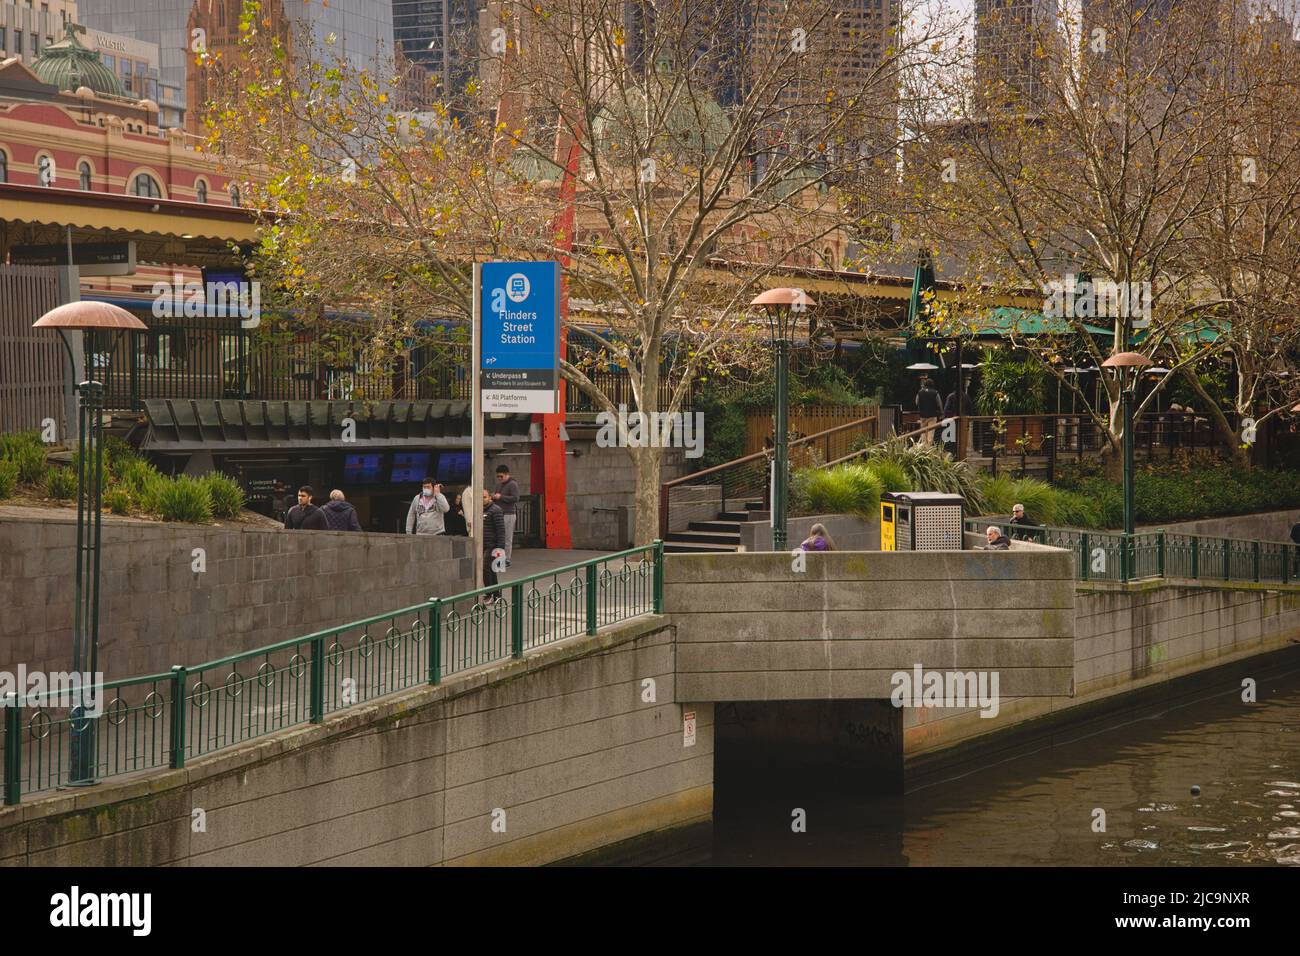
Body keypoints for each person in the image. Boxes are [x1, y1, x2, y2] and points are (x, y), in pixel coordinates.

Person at [481, 487, 508, 602]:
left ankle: (489, 594)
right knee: (491, 570)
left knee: (486, 569)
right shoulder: (479, 510)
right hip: (483, 544)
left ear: (490, 497)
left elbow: (501, 531)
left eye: (484, 497)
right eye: (480, 497)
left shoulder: (495, 510)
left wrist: (500, 548)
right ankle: (496, 595)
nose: (482, 499)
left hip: (492, 545)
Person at [492, 464, 520, 566]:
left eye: (501, 476)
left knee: (507, 538)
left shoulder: (513, 484)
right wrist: (494, 496)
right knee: (499, 537)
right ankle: (499, 558)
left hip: (509, 514)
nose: (499, 478)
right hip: (499, 513)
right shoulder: (498, 485)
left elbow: (516, 498)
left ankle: (506, 559)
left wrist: (501, 497)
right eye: (498, 476)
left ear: (507, 474)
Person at [916, 377, 943, 445]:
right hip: (932, 416)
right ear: (932, 385)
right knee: (930, 433)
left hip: (922, 416)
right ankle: (929, 449)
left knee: (923, 433)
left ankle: (923, 449)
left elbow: (916, 402)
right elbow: (939, 404)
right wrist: (941, 413)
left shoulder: (920, 392)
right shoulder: (935, 392)